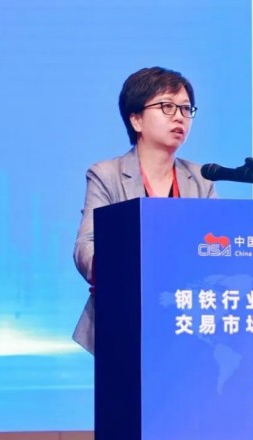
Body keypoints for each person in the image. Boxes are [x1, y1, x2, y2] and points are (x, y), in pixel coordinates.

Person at [72, 67, 217, 354]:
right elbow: (86, 246)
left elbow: (217, 245)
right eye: (167, 107)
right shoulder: (107, 174)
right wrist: (116, 271)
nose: (179, 117)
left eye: (186, 109)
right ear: (136, 119)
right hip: (124, 319)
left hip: (188, 319)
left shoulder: (201, 179)